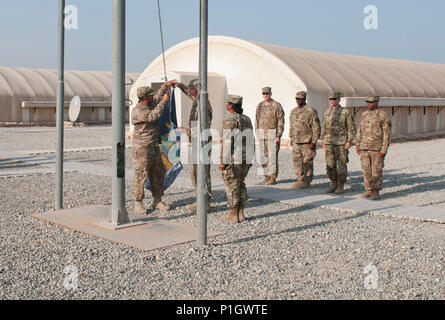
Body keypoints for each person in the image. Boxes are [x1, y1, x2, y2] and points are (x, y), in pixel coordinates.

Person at [131, 80, 176, 214]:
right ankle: (138, 202)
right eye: (150, 95)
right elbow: (153, 116)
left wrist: (166, 86)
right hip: (142, 149)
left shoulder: (149, 103)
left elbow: (157, 97)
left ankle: (157, 199)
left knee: (157, 173)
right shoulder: (138, 111)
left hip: (154, 146)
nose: (153, 97)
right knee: (141, 175)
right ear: (144, 98)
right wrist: (163, 102)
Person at [176, 79, 213, 212]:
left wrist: (187, 130)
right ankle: (200, 200)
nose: (189, 90)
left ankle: (205, 203)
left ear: (196, 89)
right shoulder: (196, 99)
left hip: (202, 142)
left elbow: (205, 126)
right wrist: (178, 85)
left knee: (203, 173)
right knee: (194, 172)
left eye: (191, 88)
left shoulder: (204, 104)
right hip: (196, 142)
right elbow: (187, 92)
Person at [219, 95, 254, 223]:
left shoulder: (230, 121)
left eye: (227, 103)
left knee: (232, 184)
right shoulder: (247, 119)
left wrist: (223, 161)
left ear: (231, 105)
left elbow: (227, 143)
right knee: (241, 182)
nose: (226, 104)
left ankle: (233, 214)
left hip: (235, 158)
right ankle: (241, 213)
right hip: (246, 157)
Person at [356, 96, 391, 200]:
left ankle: (376, 191)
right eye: (368, 102)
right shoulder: (364, 114)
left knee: (376, 170)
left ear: (377, 102)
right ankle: (369, 190)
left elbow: (387, 134)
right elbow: (360, 130)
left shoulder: (382, 115)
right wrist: (357, 144)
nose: (370, 104)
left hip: (377, 148)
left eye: (372, 102)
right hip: (364, 147)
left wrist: (384, 149)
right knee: (366, 169)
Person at [320, 91, 356, 194]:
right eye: (331, 99)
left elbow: (351, 128)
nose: (332, 101)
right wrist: (323, 140)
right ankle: (333, 183)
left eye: (334, 99)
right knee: (330, 165)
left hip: (341, 143)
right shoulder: (327, 112)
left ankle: (341, 185)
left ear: (339, 100)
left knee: (341, 165)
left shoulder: (345, 112)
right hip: (329, 142)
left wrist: (349, 141)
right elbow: (324, 127)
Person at [289, 91, 320, 189]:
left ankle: (307, 180)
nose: (298, 101)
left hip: (307, 141)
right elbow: (292, 126)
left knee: (307, 161)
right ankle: (300, 179)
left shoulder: (310, 111)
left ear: (304, 99)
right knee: (297, 160)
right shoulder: (294, 111)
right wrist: (291, 138)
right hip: (296, 141)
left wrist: (314, 141)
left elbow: (316, 127)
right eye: (297, 99)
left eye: (300, 99)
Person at [255, 87, 285, 185]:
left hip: (272, 134)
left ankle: (272, 176)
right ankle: (267, 176)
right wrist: (257, 134)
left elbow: (280, 120)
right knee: (265, 157)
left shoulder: (276, 105)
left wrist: (278, 135)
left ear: (271, 94)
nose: (265, 95)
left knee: (272, 157)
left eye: (267, 93)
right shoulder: (260, 105)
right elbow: (257, 120)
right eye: (264, 93)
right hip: (262, 134)